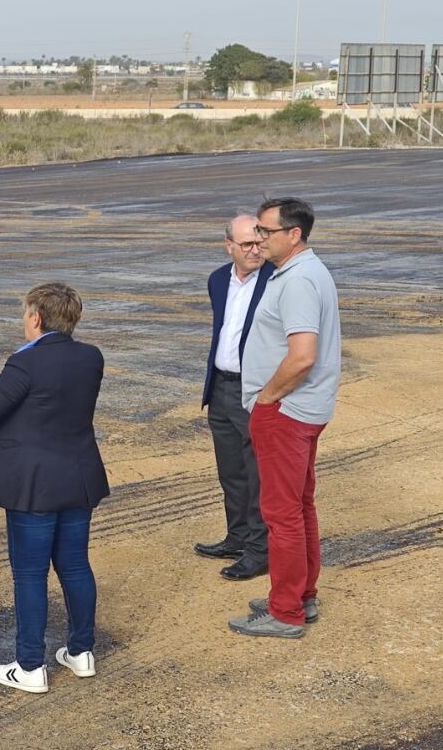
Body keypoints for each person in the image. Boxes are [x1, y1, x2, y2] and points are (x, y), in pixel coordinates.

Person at [0, 283, 109, 694]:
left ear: (36, 318)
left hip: (34, 485)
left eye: (25, 315)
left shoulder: (27, 363)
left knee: (30, 574)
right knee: (74, 565)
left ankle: (30, 664)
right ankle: (81, 651)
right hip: (77, 477)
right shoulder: (91, 358)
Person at [229, 197, 341, 639]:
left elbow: (302, 357)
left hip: (287, 412)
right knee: (299, 506)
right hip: (301, 410)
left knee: (282, 514)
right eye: (256, 230)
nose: (258, 238)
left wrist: (267, 401)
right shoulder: (304, 272)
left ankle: (286, 611)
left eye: (266, 231)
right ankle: (300, 595)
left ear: (293, 235)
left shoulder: (298, 281)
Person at [196, 214, 275, 581]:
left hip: (255, 389)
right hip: (221, 388)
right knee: (231, 471)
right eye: (247, 244)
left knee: (257, 472)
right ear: (229, 245)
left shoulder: (276, 280)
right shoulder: (216, 280)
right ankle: (238, 536)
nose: (256, 249)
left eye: (259, 241)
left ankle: (260, 551)